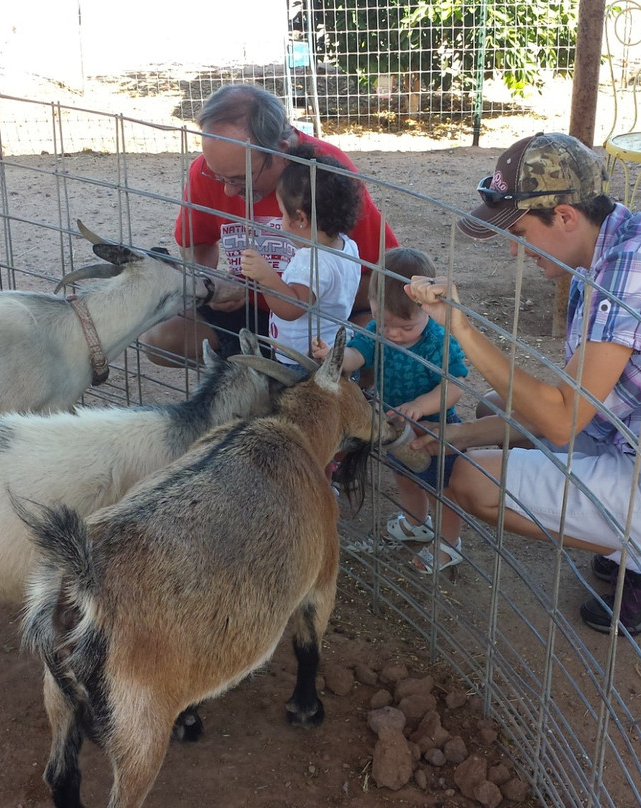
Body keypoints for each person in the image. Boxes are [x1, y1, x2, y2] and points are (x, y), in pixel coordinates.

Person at [405, 132, 641, 634]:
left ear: (563, 216)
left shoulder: (633, 270)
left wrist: (462, 329)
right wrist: (461, 436)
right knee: (492, 412)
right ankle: (637, 541)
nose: (517, 252)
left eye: (519, 232)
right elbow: (581, 406)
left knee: (472, 482)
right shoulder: (614, 247)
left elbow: (561, 420)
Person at [142, 83, 398, 365]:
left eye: (240, 178)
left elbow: (382, 272)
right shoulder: (207, 172)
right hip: (253, 313)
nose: (227, 190)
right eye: (219, 176)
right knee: (159, 341)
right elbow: (197, 243)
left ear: (281, 151)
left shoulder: (327, 174)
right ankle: (259, 372)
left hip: (324, 326)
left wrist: (307, 295)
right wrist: (211, 286)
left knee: (384, 341)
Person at [312, 247, 469, 574]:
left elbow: (454, 385)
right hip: (395, 427)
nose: (393, 334)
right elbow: (359, 353)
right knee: (405, 477)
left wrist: (421, 405)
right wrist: (336, 357)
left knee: (445, 488)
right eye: (384, 323)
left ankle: (449, 543)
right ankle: (416, 523)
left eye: (404, 327)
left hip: (436, 429)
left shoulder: (438, 340)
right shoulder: (375, 333)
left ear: (427, 310)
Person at [239, 146, 361, 364]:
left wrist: (265, 278)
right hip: (331, 346)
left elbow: (291, 308)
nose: (281, 220)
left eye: (282, 214)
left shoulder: (312, 261)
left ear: (301, 219)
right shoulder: (347, 246)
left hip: (301, 359)